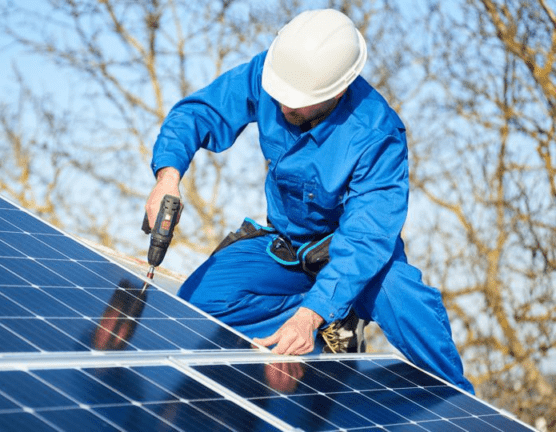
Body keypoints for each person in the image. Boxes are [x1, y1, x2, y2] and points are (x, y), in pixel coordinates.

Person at [144, 9, 474, 394]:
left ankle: (462, 402)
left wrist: (313, 312)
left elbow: (365, 239)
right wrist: (168, 176)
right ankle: (330, 322)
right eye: (280, 97)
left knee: (405, 301)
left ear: (336, 92)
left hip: (349, 256)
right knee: (195, 306)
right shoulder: (273, 73)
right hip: (286, 248)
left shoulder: (377, 134)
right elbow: (201, 112)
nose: (284, 108)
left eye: (297, 103)